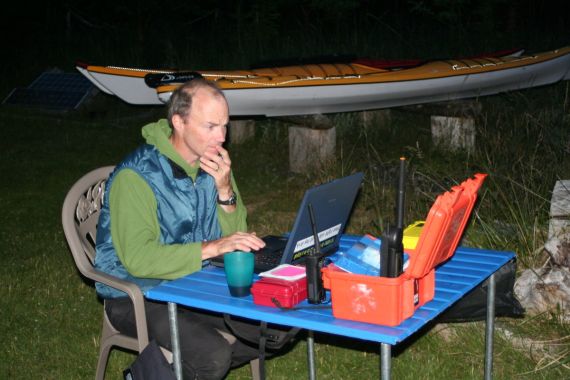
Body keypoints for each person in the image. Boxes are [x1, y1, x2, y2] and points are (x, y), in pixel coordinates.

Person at [94, 78, 268, 379]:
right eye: (210, 126)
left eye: (225, 126)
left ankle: (164, 371)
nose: (221, 137)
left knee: (272, 328)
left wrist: (225, 191)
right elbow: (139, 260)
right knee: (213, 356)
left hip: (194, 283)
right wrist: (212, 248)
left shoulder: (212, 165)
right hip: (136, 294)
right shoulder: (136, 177)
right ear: (179, 122)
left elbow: (235, 237)